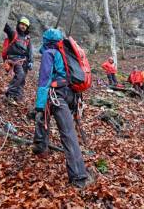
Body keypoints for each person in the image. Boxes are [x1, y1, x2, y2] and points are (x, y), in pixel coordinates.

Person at [33, 28, 89, 188]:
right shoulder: (66, 52)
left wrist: (39, 105)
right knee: (43, 116)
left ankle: (79, 177)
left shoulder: (48, 53)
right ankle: (39, 146)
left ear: (46, 41)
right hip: (71, 94)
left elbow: (44, 81)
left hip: (57, 95)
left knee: (67, 133)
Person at [3, 17, 33, 103]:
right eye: (22, 24)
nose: (23, 26)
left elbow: (30, 50)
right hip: (14, 58)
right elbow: (6, 28)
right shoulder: (13, 34)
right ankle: (9, 94)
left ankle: (17, 96)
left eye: (25, 25)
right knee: (20, 74)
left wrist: (31, 61)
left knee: (22, 78)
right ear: (18, 24)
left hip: (24, 60)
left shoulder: (27, 38)